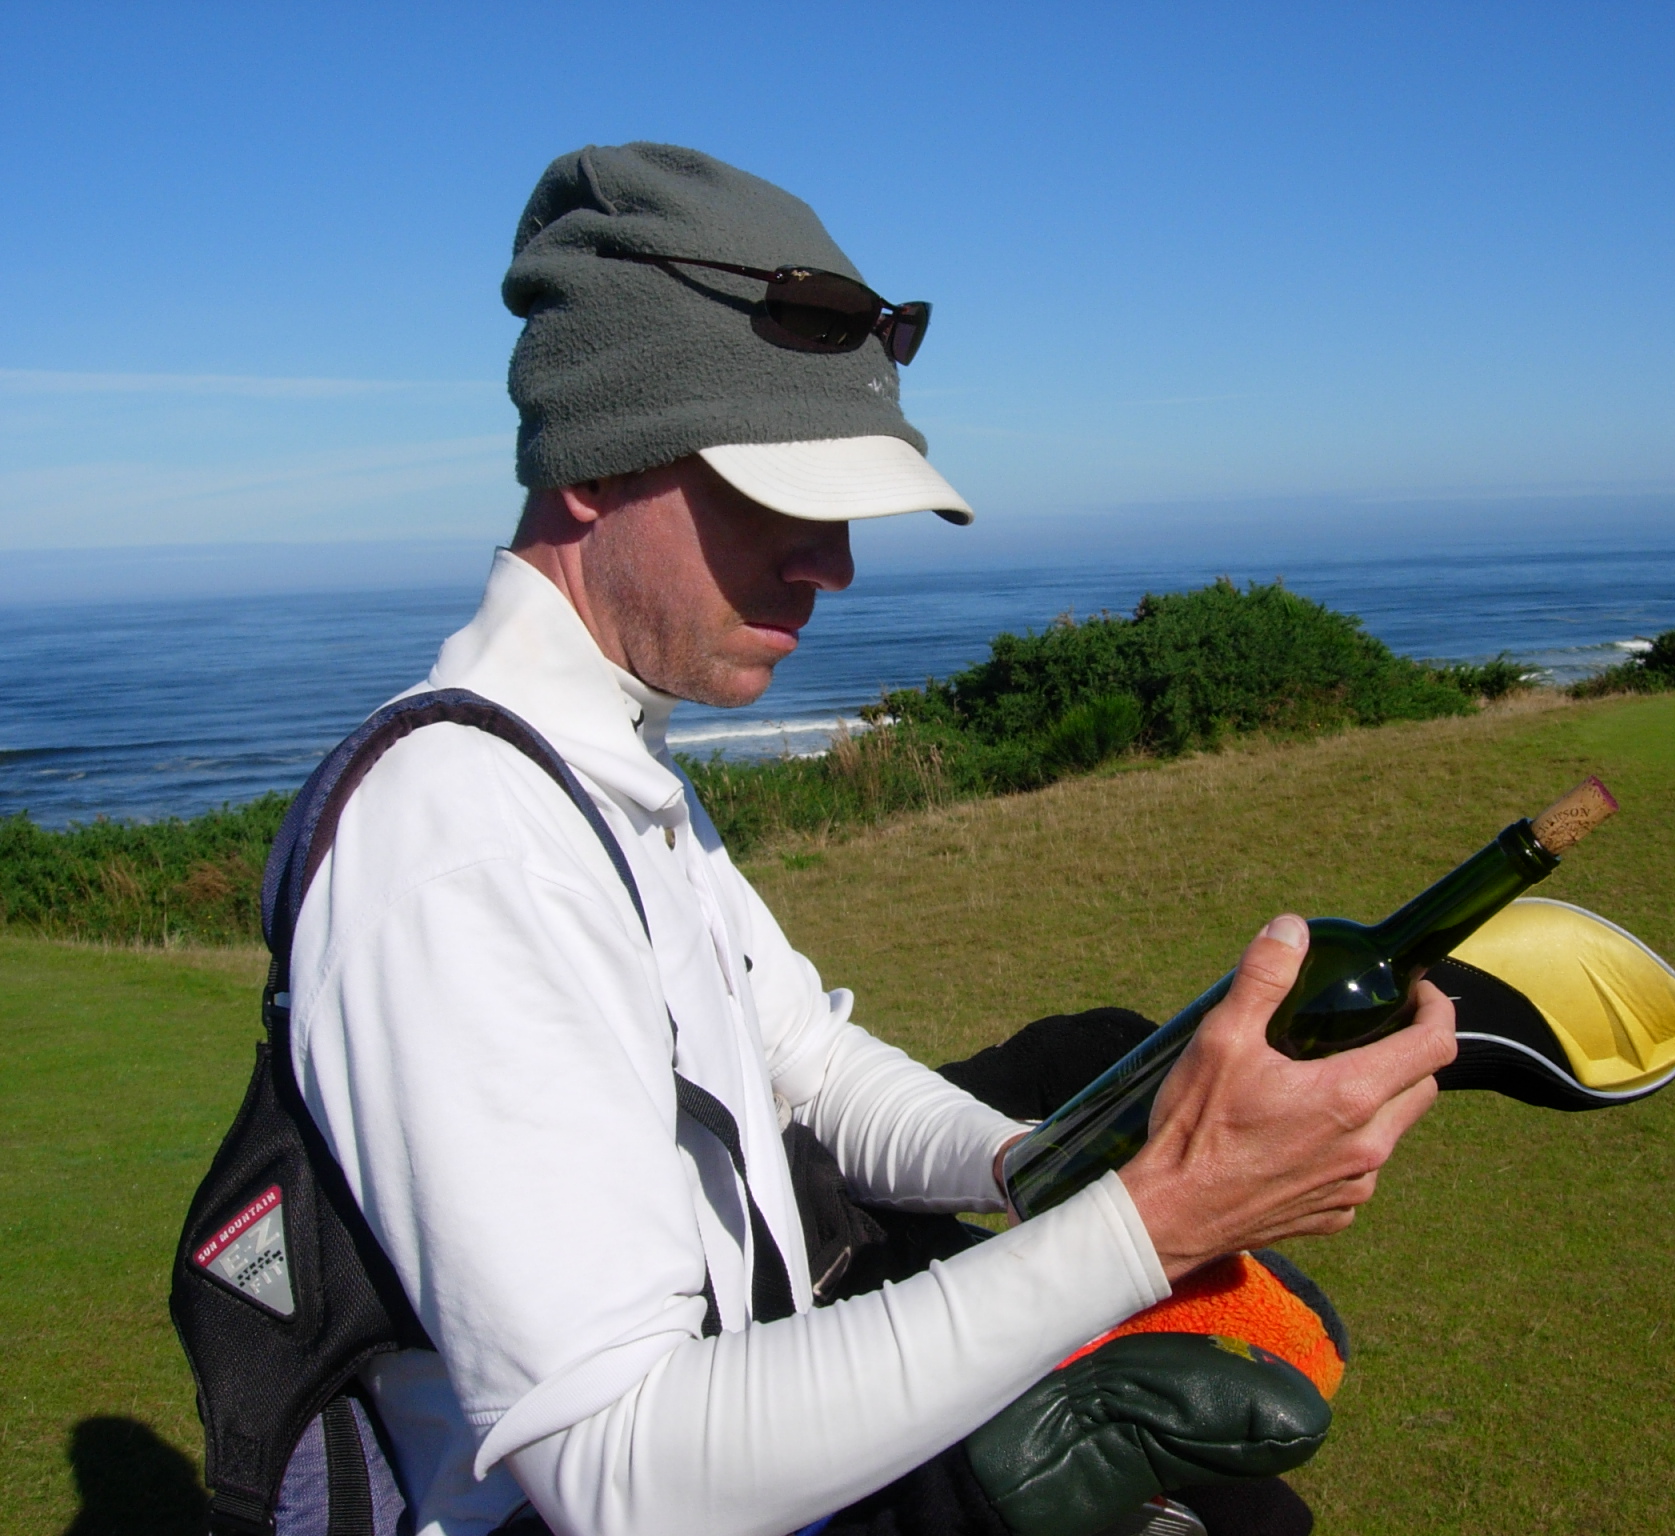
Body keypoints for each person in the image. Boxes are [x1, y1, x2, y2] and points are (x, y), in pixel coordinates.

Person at [289, 142, 1456, 1536]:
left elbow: (807, 1067)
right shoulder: (462, 837)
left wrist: (1045, 1166)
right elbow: (617, 1469)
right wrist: (1153, 1222)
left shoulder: (601, 768)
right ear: (591, 461)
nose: (833, 562)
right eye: (778, 497)